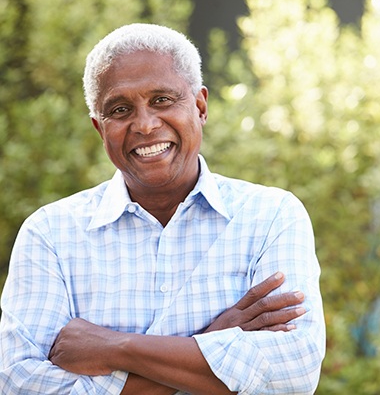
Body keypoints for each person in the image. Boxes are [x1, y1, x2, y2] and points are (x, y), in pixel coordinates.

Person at [0, 23, 325, 394]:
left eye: (162, 100)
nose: (145, 124)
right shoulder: (50, 234)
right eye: (120, 109)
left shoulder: (270, 217)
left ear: (200, 106)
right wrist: (213, 342)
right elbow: (19, 385)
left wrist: (115, 348)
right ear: (99, 128)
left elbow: (292, 373)